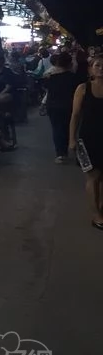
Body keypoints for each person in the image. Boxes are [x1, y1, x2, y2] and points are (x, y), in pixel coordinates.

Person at [69, 56, 103, 230]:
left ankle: (100, 207)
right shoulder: (83, 89)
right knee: (93, 176)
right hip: (88, 140)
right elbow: (75, 115)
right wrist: (72, 139)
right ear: (90, 69)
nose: (101, 68)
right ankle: (96, 214)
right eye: (97, 65)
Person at [44, 52, 80, 163]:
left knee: (57, 129)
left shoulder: (50, 77)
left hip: (53, 106)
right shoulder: (75, 78)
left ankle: (61, 153)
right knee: (71, 128)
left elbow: (46, 90)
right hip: (70, 106)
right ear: (70, 64)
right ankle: (73, 148)